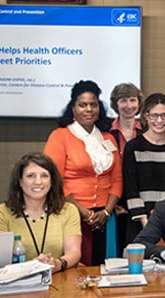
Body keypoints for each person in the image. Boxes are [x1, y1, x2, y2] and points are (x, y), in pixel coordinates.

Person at [44, 80, 122, 266]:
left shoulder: (108, 138)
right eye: (82, 104)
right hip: (72, 214)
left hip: (105, 218)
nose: (88, 109)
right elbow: (54, 180)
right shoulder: (60, 136)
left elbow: (117, 179)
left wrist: (107, 211)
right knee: (78, 268)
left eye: (93, 104)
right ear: (73, 108)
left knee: (105, 268)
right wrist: (84, 212)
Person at [0, 152, 81, 273]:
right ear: (20, 181)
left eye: (44, 176)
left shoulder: (68, 210)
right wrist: (31, 267)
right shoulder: (1, 213)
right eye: (31, 176)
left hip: (57, 279)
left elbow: (74, 252)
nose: (38, 182)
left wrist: (57, 264)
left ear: (52, 181)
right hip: (15, 282)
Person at [121, 93, 165, 245]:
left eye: (164, 115)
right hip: (140, 222)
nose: (159, 121)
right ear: (146, 116)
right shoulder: (133, 147)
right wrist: (148, 225)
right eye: (154, 116)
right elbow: (130, 189)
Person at [107, 82, 142, 258]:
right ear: (115, 104)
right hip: (115, 203)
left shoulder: (148, 130)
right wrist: (115, 203)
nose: (128, 106)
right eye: (123, 100)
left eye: (132, 100)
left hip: (140, 201)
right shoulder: (105, 132)